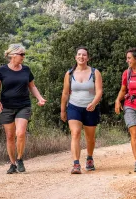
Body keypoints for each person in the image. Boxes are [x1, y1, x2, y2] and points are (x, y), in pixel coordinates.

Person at [0, 43, 46, 174]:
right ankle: (12, 164)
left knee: (20, 133)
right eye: (21, 54)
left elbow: (32, 86)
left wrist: (39, 98)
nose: (23, 56)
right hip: (6, 107)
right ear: (13, 55)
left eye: (24, 54)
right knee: (10, 136)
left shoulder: (26, 70)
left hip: (23, 105)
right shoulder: (2, 70)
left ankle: (20, 158)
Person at [60, 46, 103, 174]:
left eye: (84, 55)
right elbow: (65, 93)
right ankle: (76, 164)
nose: (81, 57)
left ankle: (89, 158)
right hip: (74, 107)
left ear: (88, 58)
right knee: (75, 133)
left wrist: (94, 103)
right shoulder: (69, 73)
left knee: (90, 138)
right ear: (75, 57)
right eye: (79, 54)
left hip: (90, 108)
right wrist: (63, 110)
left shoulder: (95, 72)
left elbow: (99, 91)